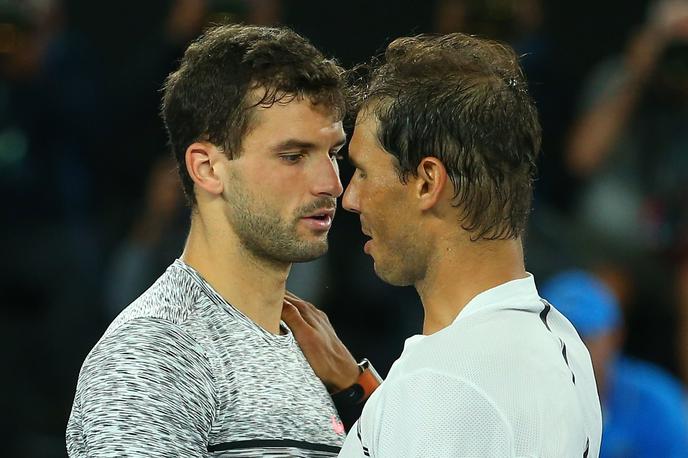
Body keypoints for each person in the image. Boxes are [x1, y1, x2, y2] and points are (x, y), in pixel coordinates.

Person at [287, 33, 603, 457]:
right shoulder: (562, 345)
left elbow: (452, 401)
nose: (349, 198)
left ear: (427, 182)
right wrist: (362, 392)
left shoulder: (444, 386)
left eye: (362, 171)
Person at [66, 24, 363, 457]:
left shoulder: (317, 354)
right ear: (206, 169)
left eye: (332, 153)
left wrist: (358, 390)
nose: (331, 184)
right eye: (293, 156)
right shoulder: (155, 352)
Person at [541, 269, 688, 458]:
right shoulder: (523, 397)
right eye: (556, 337)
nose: (570, 349)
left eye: (584, 336)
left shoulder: (656, 402)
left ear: (614, 337)